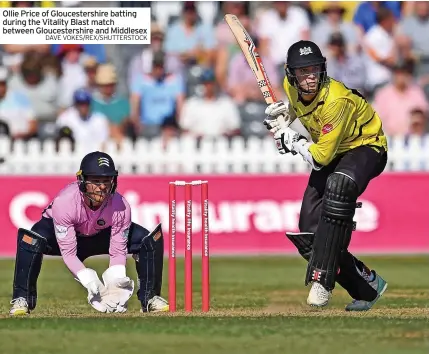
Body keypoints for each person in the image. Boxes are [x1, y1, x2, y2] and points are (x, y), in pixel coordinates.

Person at [264, 40, 388, 311]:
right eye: (303, 71)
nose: (310, 77)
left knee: (339, 184)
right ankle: (367, 287)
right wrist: (285, 118)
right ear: (291, 74)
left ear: (323, 69)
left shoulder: (337, 100)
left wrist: (293, 140)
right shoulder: (290, 88)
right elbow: (302, 118)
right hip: (332, 151)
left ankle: (322, 281)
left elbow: (320, 157)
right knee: (309, 232)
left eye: (314, 70)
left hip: (366, 147)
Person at [10, 151, 168, 316]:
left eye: (106, 181)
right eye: (96, 181)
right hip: (60, 237)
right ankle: (22, 299)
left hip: (99, 236)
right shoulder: (65, 203)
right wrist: (89, 279)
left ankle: (150, 298)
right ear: (82, 181)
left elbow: (118, 249)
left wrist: (116, 279)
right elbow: (69, 253)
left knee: (148, 239)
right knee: (31, 240)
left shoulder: (121, 206)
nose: (102, 187)